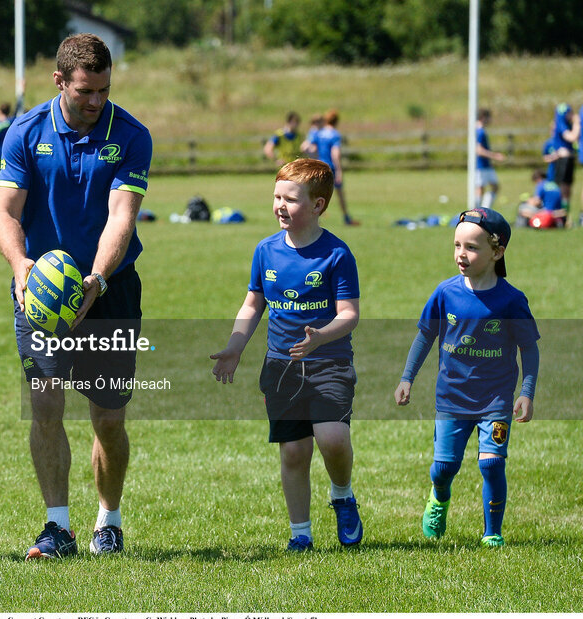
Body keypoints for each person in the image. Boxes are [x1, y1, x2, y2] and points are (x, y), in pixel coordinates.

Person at [0, 33, 152, 560]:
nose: (96, 101)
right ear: (59, 80)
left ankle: (108, 519)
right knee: (46, 407)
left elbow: (121, 216)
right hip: (39, 292)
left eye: (104, 90)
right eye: (86, 90)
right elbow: (6, 212)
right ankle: (57, 526)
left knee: (107, 416)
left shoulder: (131, 135)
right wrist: (20, 267)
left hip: (109, 291)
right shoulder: (24, 133)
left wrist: (99, 278)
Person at [211, 158, 363, 552]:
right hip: (281, 368)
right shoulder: (265, 251)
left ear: (318, 205)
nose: (280, 205)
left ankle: (342, 495)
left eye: (290, 199)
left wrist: (320, 336)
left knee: (332, 438)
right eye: (276, 196)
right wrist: (235, 346)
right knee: (294, 451)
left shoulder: (337, 255)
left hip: (329, 363)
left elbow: (349, 315)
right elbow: (252, 304)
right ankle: (301, 533)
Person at [394, 207, 539, 548]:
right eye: (457, 245)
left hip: (496, 400)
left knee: (491, 464)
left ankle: (492, 533)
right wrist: (407, 378)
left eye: (471, 247)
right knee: (444, 468)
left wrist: (526, 392)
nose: (461, 254)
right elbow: (424, 336)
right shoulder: (445, 293)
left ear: (497, 251)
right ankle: (439, 498)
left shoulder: (512, 301)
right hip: (452, 398)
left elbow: (529, 350)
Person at [313, 109, 358, 225]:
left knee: (317, 194)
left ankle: (314, 219)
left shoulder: (319, 133)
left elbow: (312, 149)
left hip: (319, 167)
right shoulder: (335, 135)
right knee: (340, 194)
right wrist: (339, 170)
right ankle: (346, 217)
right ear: (336, 122)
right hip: (330, 168)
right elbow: (335, 153)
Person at [474, 109, 506, 210]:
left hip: (486, 165)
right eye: (489, 118)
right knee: (480, 189)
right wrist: (495, 156)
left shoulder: (480, 130)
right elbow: (478, 150)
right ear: (484, 117)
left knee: (495, 186)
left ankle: (484, 209)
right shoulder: (480, 132)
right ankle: (477, 210)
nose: (490, 120)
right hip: (480, 165)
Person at [551, 103, 579, 209]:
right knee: (563, 187)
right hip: (564, 159)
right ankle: (560, 212)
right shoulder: (561, 124)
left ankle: (565, 213)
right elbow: (571, 137)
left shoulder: (567, 124)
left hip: (568, 158)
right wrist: (577, 123)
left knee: (567, 188)